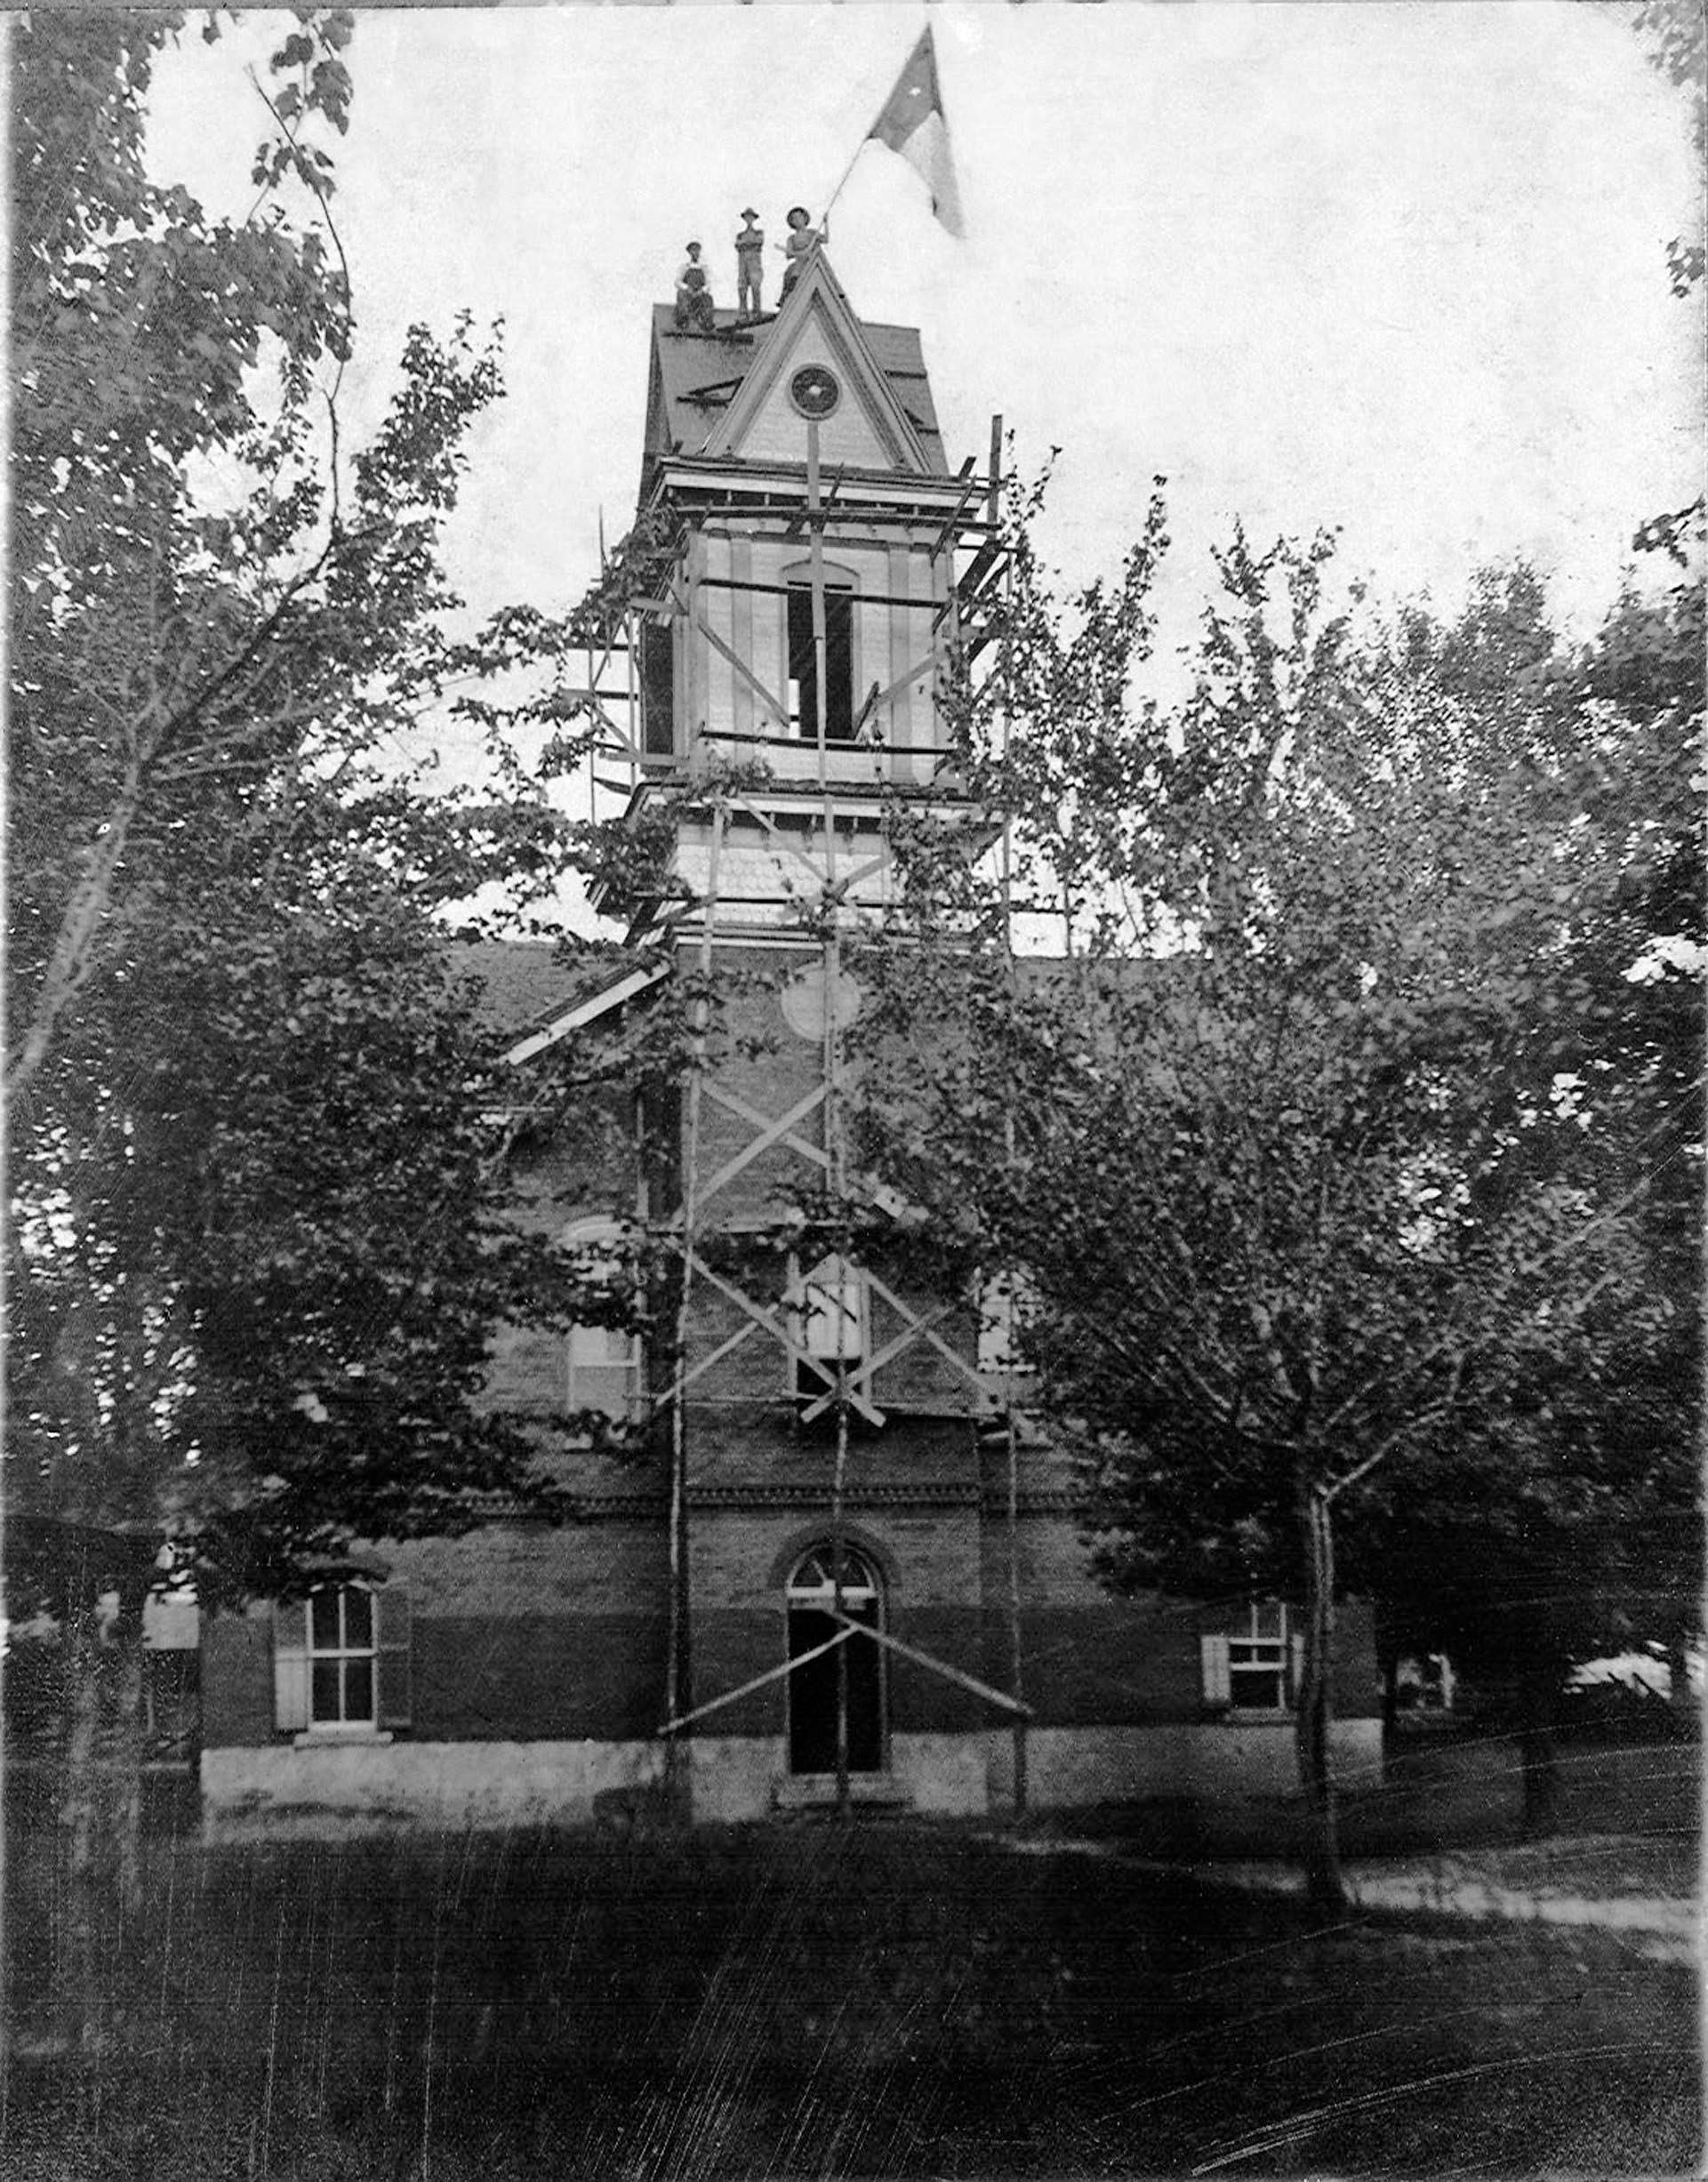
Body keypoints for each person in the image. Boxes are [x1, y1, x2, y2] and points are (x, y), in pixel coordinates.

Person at [779, 206, 822, 299]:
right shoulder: (792, 238)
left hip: (812, 260)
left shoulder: (812, 233)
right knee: (790, 274)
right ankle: (787, 297)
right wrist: (796, 253)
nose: (798, 220)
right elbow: (789, 254)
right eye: (795, 219)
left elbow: (825, 239)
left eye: (800, 217)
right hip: (799, 262)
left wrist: (825, 222)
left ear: (805, 218)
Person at [674, 241, 715, 332]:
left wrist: (702, 291)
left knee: (708, 299)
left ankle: (706, 322)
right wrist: (687, 288)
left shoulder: (703, 268)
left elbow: (708, 284)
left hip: (699, 294)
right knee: (680, 295)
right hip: (688, 294)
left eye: (697, 250)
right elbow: (677, 282)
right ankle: (684, 320)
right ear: (689, 252)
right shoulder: (685, 267)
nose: (696, 253)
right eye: (693, 250)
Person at [734, 208, 765, 319]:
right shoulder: (740, 235)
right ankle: (743, 312)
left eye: (751, 217)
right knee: (742, 287)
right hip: (743, 262)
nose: (749, 219)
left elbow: (758, 243)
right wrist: (748, 243)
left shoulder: (758, 232)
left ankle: (756, 311)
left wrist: (747, 244)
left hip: (755, 263)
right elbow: (738, 245)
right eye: (747, 217)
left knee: (755, 286)